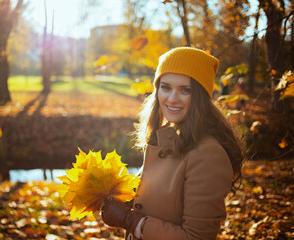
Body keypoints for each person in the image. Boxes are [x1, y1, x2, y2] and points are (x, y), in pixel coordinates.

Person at [101, 47, 245, 240]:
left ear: (201, 97)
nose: (172, 98)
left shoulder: (208, 154)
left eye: (185, 90)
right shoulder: (165, 138)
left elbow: (197, 237)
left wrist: (130, 221)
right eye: (166, 87)